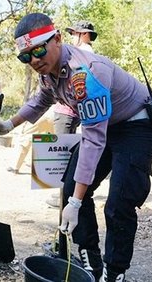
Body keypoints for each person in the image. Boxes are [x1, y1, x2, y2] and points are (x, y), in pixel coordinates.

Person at [0, 13, 152, 281]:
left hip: (136, 126)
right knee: (72, 184)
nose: (34, 60)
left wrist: (74, 203)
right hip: (109, 123)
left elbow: (93, 138)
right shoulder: (49, 71)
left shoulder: (87, 73)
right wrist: (9, 124)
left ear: (56, 38)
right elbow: (41, 100)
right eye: (25, 56)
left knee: (118, 202)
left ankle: (115, 272)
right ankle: (91, 259)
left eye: (38, 50)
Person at [45, 19, 98, 207]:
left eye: (75, 33)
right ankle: (67, 194)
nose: (72, 37)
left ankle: (67, 196)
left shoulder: (83, 55)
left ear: (84, 34)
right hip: (70, 110)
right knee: (67, 153)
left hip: (67, 111)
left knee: (63, 155)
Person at [6, 104, 56, 174]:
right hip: (57, 112)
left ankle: (15, 166)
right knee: (56, 140)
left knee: (27, 137)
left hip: (43, 111)